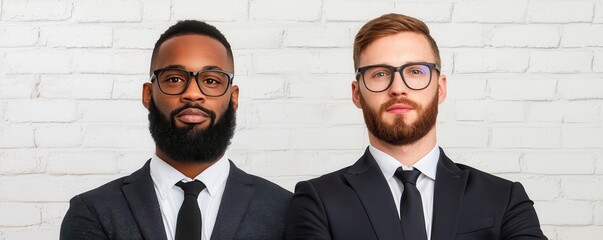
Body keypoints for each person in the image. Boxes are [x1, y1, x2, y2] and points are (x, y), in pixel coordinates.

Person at [284, 13, 547, 240]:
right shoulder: (317, 202)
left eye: (415, 71)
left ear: (440, 88)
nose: (398, 88)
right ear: (357, 94)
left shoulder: (503, 198)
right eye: (379, 74)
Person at [60, 20, 291, 240]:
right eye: (174, 79)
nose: (192, 93)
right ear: (148, 95)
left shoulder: (285, 209)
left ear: (233, 98)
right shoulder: (93, 212)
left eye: (211, 81)